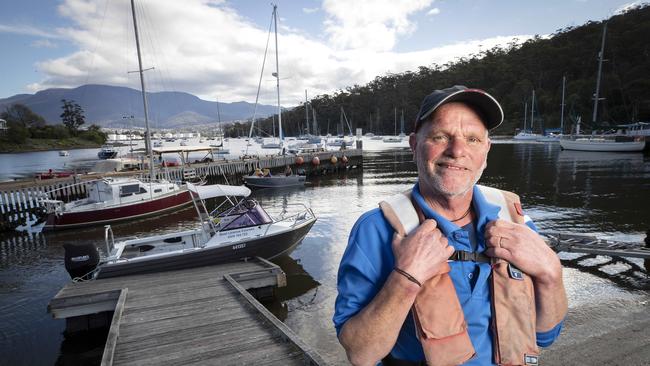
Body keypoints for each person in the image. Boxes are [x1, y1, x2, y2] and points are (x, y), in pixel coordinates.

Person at [334, 85, 567, 366]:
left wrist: (551, 273)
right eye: (441, 136)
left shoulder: (513, 219)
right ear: (414, 144)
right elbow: (361, 354)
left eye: (472, 139)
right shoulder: (376, 230)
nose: (457, 151)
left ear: (487, 150)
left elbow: (546, 336)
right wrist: (405, 278)